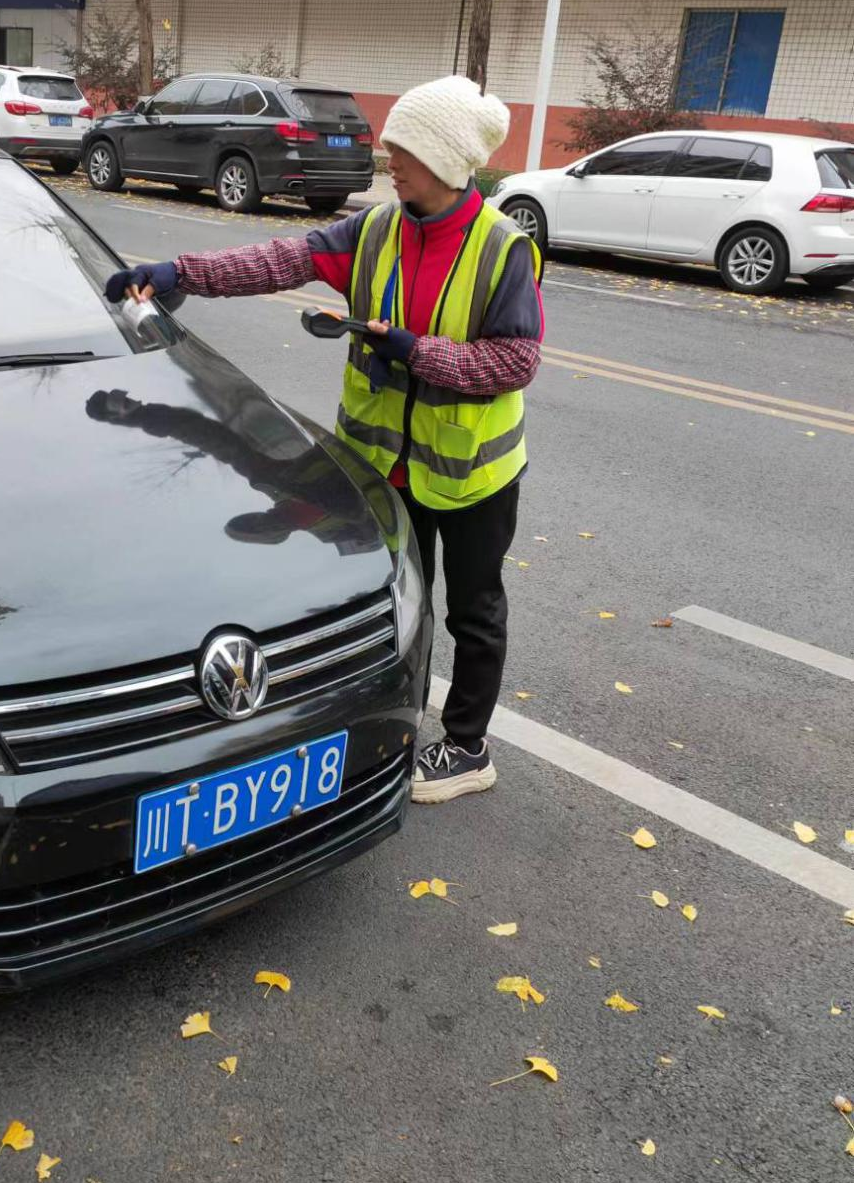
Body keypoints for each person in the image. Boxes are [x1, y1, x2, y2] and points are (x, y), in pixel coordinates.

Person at [104, 74, 543, 804]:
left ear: (441, 157)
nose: (390, 161)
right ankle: (396, 722)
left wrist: (413, 350)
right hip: (381, 468)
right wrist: (180, 273)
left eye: (403, 150)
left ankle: (468, 748)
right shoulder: (375, 229)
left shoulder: (502, 249)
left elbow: (513, 363)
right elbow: (279, 261)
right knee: (397, 601)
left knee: (473, 613)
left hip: (471, 474)